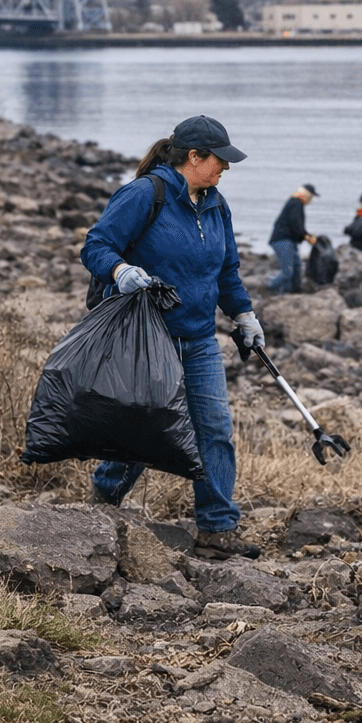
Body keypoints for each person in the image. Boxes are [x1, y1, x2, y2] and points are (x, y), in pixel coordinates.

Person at [81, 114, 264, 560]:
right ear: (193, 157)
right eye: (219, 160)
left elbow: (227, 271)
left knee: (214, 431)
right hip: (147, 337)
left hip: (200, 339)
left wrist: (244, 314)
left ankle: (217, 529)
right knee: (144, 435)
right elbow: (95, 246)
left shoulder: (217, 204)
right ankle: (99, 509)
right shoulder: (145, 195)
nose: (226, 168)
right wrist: (120, 270)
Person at [265, 184, 317, 293]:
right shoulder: (296, 203)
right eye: (311, 196)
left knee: (296, 268)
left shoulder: (296, 203)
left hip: (288, 240)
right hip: (282, 240)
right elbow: (296, 224)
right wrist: (307, 236)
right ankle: (268, 286)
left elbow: (296, 225)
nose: (311, 199)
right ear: (307, 195)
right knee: (287, 271)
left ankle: (290, 292)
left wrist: (305, 235)